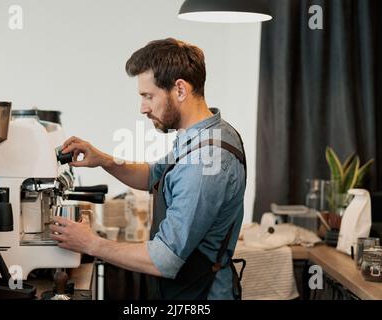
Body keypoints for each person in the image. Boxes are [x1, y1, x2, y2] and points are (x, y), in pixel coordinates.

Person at [50, 38, 247, 300]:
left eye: (148, 96)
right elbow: (155, 175)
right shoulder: (205, 134)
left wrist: (91, 243)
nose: (143, 108)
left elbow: (164, 259)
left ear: (179, 89)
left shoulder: (206, 160)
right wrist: (104, 160)